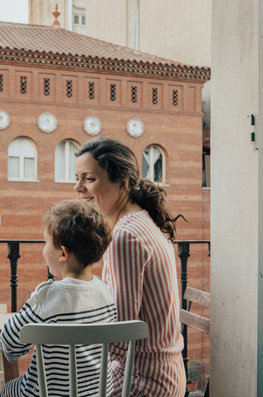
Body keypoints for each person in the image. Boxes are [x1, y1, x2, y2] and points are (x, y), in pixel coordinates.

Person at [74, 137, 186, 396]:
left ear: (122, 183)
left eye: (88, 179)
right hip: (156, 372)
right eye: (77, 178)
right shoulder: (140, 222)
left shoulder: (125, 236)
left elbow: (121, 335)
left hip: (142, 381)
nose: (78, 187)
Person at [0, 199, 118, 397]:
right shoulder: (105, 291)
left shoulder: (48, 296)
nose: (44, 249)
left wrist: (33, 301)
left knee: (9, 389)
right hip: (97, 393)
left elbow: (10, 344)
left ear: (63, 253)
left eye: (46, 242)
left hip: (48, 394)